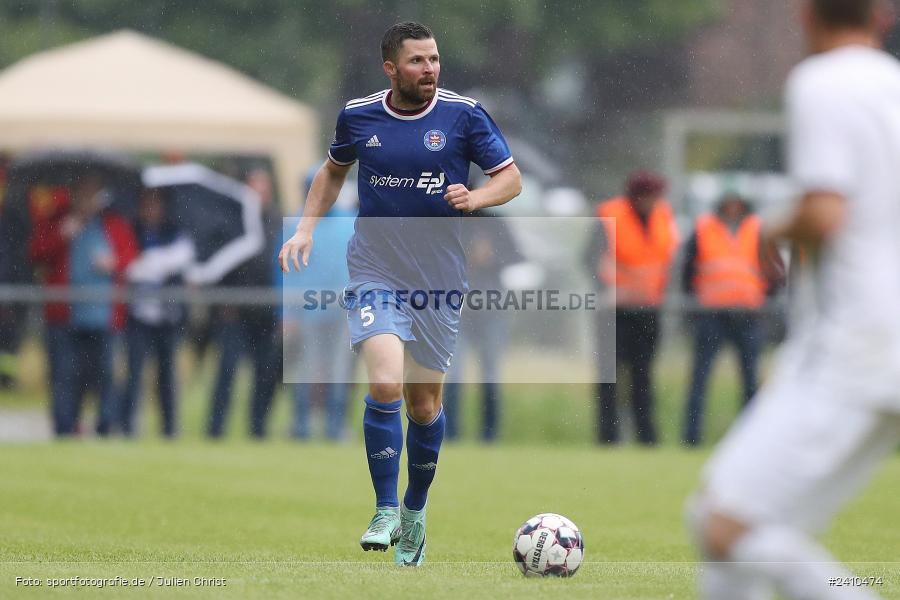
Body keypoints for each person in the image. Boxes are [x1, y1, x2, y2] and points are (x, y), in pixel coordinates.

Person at [279, 21, 521, 566]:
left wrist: (476, 197)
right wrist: (305, 228)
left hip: (438, 279)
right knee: (386, 381)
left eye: (434, 59)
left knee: (424, 403)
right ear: (391, 68)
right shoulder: (359, 115)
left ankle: (414, 510)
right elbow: (332, 172)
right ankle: (385, 508)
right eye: (417, 61)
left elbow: (511, 179)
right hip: (374, 270)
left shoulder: (464, 114)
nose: (430, 69)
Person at [688, 1, 900, 598]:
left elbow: (825, 211)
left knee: (722, 526)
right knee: (745, 533)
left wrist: (765, 234)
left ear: (805, 14)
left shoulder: (822, 83)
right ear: (882, 15)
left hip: (858, 346)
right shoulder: (893, 86)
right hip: (875, 346)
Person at [29, 173, 138, 436]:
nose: (86, 199)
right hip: (65, 317)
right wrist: (61, 236)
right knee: (65, 377)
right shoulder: (57, 221)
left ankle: (104, 428)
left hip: (104, 317)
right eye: (81, 192)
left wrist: (114, 263)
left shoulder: (113, 224)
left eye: (91, 192)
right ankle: (65, 429)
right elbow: (36, 254)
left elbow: (131, 258)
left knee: (105, 377)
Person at [680, 195, 784, 446]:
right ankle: (691, 439)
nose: (733, 209)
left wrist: (763, 298)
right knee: (700, 380)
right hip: (712, 314)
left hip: (748, 315)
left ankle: (752, 441)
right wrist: (694, 307)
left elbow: (776, 270)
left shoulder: (758, 230)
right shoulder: (704, 228)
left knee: (750, 382)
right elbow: (688, 271)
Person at [584, 171, 678, 445]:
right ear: (636, 196)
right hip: (613, 312)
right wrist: (606, 289)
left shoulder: (664, 216)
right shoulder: (608, 215)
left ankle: (646, 440)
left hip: (648, 310)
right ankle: (608, 440)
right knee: (609, 379)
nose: (653, 201)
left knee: (643, 376)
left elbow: (668, 258)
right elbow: (589, 259)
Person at [208, 167, 282, 439]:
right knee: (226, 372)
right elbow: (219, 264)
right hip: (234, 312)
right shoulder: (231, 223)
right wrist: (222, 302)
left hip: (266, 313)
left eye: (263, 189)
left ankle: (258, 430)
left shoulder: (278, 223)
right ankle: (215, 431)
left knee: (265, 376)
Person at [285, 172, 356, 441]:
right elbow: (286, 272)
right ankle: (301, 426)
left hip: (341, 313)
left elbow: (357, 271)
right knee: (306, 372)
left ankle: (335, 428)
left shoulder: (349, 223)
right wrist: (287, 313)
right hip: (307, 312)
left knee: (338, 373)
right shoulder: (296, 225)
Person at [120, 188, 195, 438]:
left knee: (166, 377)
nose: (151, 209)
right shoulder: (133, 231)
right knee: (134, 374)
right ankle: (128, 426)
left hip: (166, 316)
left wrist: (152, 262)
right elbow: (130, 268)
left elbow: (181, 258)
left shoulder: (173, 232)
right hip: (138, 316)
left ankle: (169, 429)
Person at [442, 209, 522, 442]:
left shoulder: (495, 222)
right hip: (458, 309)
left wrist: (492, 257)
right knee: (453, 373)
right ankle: (450, 434)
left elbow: (516, 256)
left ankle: (489, 435)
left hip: (492, 311)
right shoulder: (449, 221)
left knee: (490, 373)